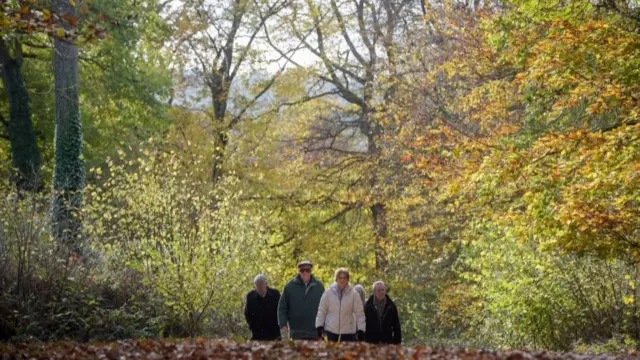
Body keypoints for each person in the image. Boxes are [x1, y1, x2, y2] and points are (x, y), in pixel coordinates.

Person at [278, 260, 325, 339]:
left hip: (315, 331)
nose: (305, 272)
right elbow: (282, 307)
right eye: (302, 270)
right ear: (298, 271)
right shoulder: (290, 286)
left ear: (311, 271)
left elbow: (325, 307)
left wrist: (325, 326)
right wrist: (283, 324)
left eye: (308, 270)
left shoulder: (319, 286)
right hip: (296, 331)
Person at [315, 268, 366, 342]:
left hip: (348, 331)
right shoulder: (328, 293)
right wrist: (319, 326)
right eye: (340, 277)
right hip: (331, 330)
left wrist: (361, 329)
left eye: (344, 278)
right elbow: (322, 310)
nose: (342, 280)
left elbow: (360, 313)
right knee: (332, 352)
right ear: (336, 279)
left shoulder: (354, 294)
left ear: (347, 279)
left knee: (347, 353)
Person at [244, 274, 282, 340]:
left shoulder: (275, 294)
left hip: (274, 332)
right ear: (255, 285)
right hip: (257, 333)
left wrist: (280, 324)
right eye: (257, 285)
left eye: (262, 284)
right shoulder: (250, 296)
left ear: (266, 284)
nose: (260, 287)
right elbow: (247, 313)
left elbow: (281, 310)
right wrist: (251, 326)